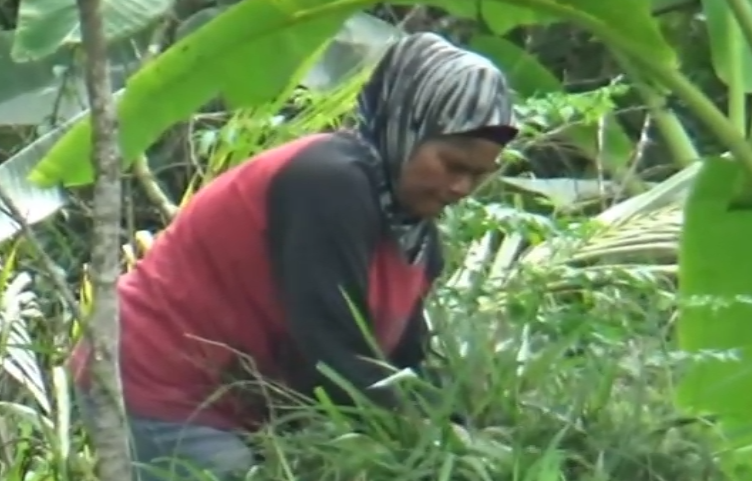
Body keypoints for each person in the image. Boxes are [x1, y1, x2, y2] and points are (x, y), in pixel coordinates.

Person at [69, 31, 518, 481]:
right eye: (452, 165)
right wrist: (434, 439)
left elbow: (400, 363)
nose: (461, 188)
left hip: (239, 404)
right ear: (409, 127)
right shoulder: (327, 184)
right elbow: (332, 355)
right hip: (152, 380)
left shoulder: (416, 241)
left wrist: (465, 431)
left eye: (478, 176)